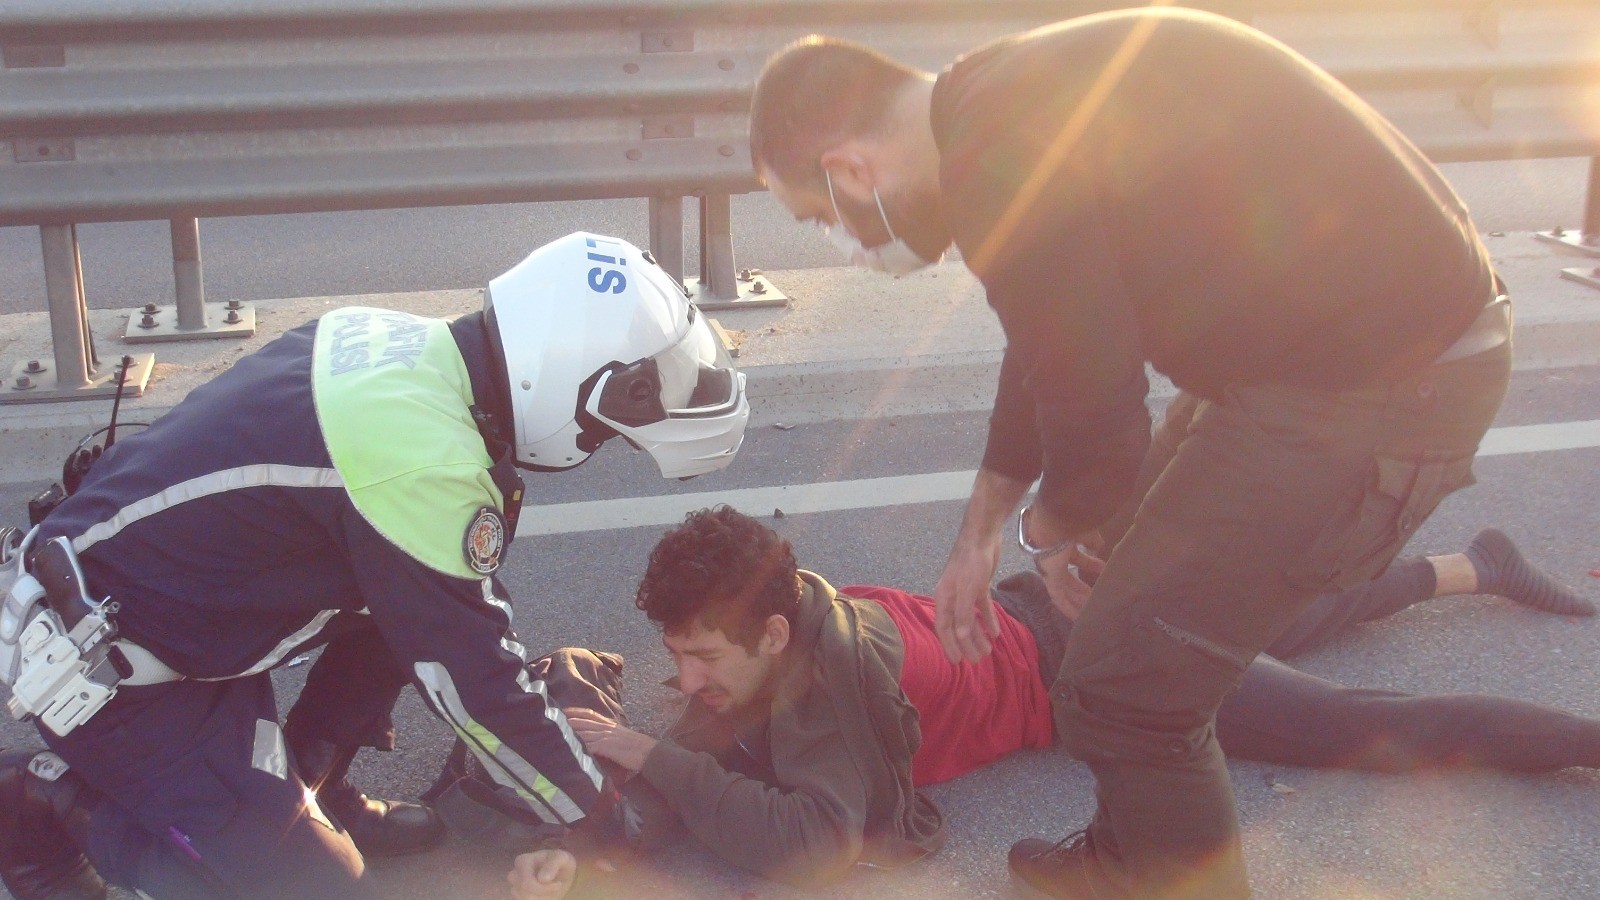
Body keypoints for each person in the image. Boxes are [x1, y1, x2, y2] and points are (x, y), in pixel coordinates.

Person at [749, 8, 1514, 896]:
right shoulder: (989, 103)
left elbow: (1103, 434)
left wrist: (1049, 529)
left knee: (1128, 692)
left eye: (822, 219)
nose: (845, 244)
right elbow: (1049, 339)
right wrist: (986, 525)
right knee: (1108, 623)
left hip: (1386, 390)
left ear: (849, 168)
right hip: (1319, 360)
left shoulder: (996, 155)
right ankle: (1126, 857)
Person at [0, 231, 750, 900]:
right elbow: (477, 687)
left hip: (176, 609)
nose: (596, 444)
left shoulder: (410, 350)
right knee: (317, 889)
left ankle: (312, 789)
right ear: (570, 383)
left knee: (421, 601)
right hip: (115, 679)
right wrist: (603, 825)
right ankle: (47, 802)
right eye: (604, 428)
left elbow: (441, 616)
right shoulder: (419, 465)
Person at [437, 507, 1594, 892]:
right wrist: (581, 851)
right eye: (672, 655)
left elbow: (817, 841)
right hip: (1052, 604)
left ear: (775, 632)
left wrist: (647, 755)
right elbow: (700, 755)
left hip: (1092, 666)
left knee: (1350, 727)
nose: (679, 682)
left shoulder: (826, 703)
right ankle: (1474, 568)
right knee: (1280, 617)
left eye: (697, 656)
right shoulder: (790, 620)